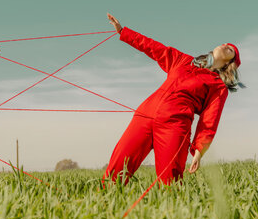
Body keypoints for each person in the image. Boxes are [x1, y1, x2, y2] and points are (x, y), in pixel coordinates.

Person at [103, 13, 244, 185]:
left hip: (175, 125)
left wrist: (199, 152)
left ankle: (169, 211)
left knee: (170, 182)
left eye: (229, 49)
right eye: (224, 44)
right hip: (145, 115)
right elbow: (153, 47)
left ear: (229, 63)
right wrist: (123, 31)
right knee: (117, 170)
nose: (224, 46)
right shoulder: (183, 60)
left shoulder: (218, 86)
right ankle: (103, 204)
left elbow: (210, 120)